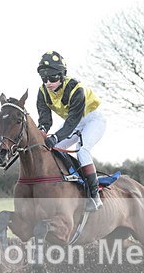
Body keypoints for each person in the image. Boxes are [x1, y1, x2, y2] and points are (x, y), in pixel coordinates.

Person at [36, 50, 106, 211]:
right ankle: (68, 180)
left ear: (62, 74)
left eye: (52, 77)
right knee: (50, 148)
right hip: (73, 122)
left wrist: (56, 136)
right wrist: (42, 131)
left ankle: (94, 197)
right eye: (44, 78)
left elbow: (71, 122)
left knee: (82, 151)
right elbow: (45, 119)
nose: (48, 82)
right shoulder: (42, 92)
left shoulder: (76, 89)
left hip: (92, 119)